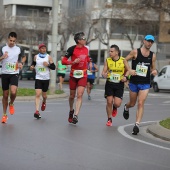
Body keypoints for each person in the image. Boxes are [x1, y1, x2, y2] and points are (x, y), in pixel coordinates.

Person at [123, 35, 157, 135]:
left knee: (141, 103)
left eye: (151, 42)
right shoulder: (135, 52)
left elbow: (152, 68)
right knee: (132, 103)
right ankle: (126, 107)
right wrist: (129, 70)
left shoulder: (153, 55)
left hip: (145, 83)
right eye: (148, 41)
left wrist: (154, 71)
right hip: (134, 82)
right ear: (144, 41)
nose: (150, 43)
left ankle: (137, 125)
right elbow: (125, 60)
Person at [62, 32, 90, 124]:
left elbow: (87, 59)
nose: (85, 40)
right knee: (72, 96)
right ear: (79, 40)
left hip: (83, 75)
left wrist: (88, 64)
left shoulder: (86, 49)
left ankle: (76, 115)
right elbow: (63, 61)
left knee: (80, 95)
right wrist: (73, 62)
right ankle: (71, 110)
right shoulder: (72, 49)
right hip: (73, 75)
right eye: (83, 38)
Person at [0, 32, 26, 123]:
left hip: (14, 72)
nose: (12, 42)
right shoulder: (2, 48)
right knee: (5, 95)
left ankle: (11, 103)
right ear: (8, 39)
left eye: (14, 41)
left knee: (13, 92)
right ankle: (4, 115)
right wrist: (2, 57)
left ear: (16, 40)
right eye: (10, 40)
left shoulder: (19, 48)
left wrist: (21, 63)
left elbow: (23, 57)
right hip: (4, 73)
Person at [101, 44, 128, 127]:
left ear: (117, 52)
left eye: (111, 51)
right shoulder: (108, 60)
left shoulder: (123, 60)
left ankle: (115, 107)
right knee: (109, 101)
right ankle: (109, 119)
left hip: (119, 84)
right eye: (109, 51)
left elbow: (128, 70)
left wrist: (125, 77)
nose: (110, 53)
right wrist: (103, 74)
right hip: (110, 83)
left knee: (117, 103)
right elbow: (104, 71)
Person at [30, 43, 56, 119]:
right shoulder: (36, 57)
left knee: (44, 95)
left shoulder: (49, 57)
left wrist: (48, 65)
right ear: (39, 49)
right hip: (38, 78)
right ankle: (37, 111)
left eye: (45, 48)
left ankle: (44, 101)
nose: (44, 49)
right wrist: (31, 67)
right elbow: (33, 64)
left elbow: (53, 67)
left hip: (46, 78)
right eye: (42, 48)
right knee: (38, 94)